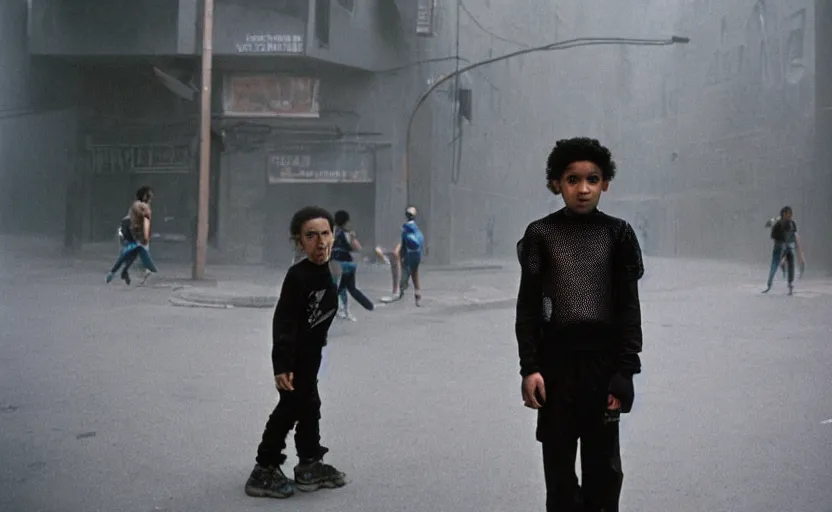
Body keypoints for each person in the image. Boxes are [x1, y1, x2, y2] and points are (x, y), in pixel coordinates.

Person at [515, 137, 644, 512]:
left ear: (605, 183)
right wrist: (530, 368)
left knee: (604, 473)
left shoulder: (617, 234)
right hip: (555, 370)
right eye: (572, 179)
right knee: (558, 475)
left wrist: (625, 371)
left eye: (592, 179)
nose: (583, 189)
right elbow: (528, 310)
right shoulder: (541, 234)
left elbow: (628, 309)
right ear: (557, 184)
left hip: (603, 369)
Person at [245, 206, 346, 500]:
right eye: (311, 236)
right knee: (289, 410)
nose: (321, 242)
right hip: (295, 361)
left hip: (311, 359)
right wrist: (282, 365)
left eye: (325, 234)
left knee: (309, 406)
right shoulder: (298, 276)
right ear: (299, 241)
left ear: (333, 235)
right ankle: (263, 469)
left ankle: (309, 465)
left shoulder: (327, 271)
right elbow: (285, 322)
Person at [106, 186, 157, 285]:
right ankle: (125, 271)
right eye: (149, 195)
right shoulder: (141, 206)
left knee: (130, 253)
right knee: (133, 251)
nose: (151, 198)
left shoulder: (138, 205)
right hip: (131, 229)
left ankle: (121, 272)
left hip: (130, 228)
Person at [331, 210, 374, 321]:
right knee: (343, 287)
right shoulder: (346, 233)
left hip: (334, 262)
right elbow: (356, 247)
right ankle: (343, 310)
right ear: (345, 222)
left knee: (339, 286)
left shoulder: (332, 231)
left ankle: (340, 310)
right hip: (345, 263)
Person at [762, 206, 804, 295]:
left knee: (791, 263)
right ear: (783, 214)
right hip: (779, 246)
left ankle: (790, 284)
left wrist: (797, 249)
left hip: (788, 246)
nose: (789, 216)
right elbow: (773, 235)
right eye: (787, 214)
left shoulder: (792, 224)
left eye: (790, 214)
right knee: (774, 264)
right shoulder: (778, 223)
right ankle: (769, 284)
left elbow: (794, 236)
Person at [395, 206, 425, 307]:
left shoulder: (405, 228)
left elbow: (403, 244)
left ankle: (401, 290)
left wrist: (401, 256)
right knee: (415, 276)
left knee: (405, 273)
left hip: (409, 255)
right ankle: (418, 297)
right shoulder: (416, 229)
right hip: (417, 255)